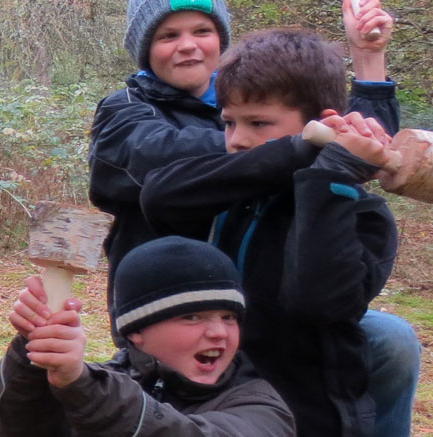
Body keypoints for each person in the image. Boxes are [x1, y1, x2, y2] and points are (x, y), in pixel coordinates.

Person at [138, 28, 413, 436]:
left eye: (259, 123)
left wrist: (330, 175)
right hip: (218, 406)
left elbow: (317, 302)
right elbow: (158, 196)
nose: (238, 140)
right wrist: (299, 148)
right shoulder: (234, 188)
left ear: (322, 121)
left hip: (308, 416)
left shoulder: (358, 211)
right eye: (229, 122)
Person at [87, 0, 398, 327]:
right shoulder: (124, 110)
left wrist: (367, 57)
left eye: (202, 31)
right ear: (145, 48)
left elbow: (361, 150)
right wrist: (308, 144)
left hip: (267, 308)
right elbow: (157, 160)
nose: (188, 45)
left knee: (391, 337)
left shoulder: (247, 99)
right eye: (168, 36)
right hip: (166, 310)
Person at [0, 236, 293, 436]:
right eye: (192, 317)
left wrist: (80, 385)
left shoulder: (262, 408)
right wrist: (36, 350)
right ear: (135, 332)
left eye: (228, 318)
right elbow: (22, 429)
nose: (218, 333)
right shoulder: (101, 386)